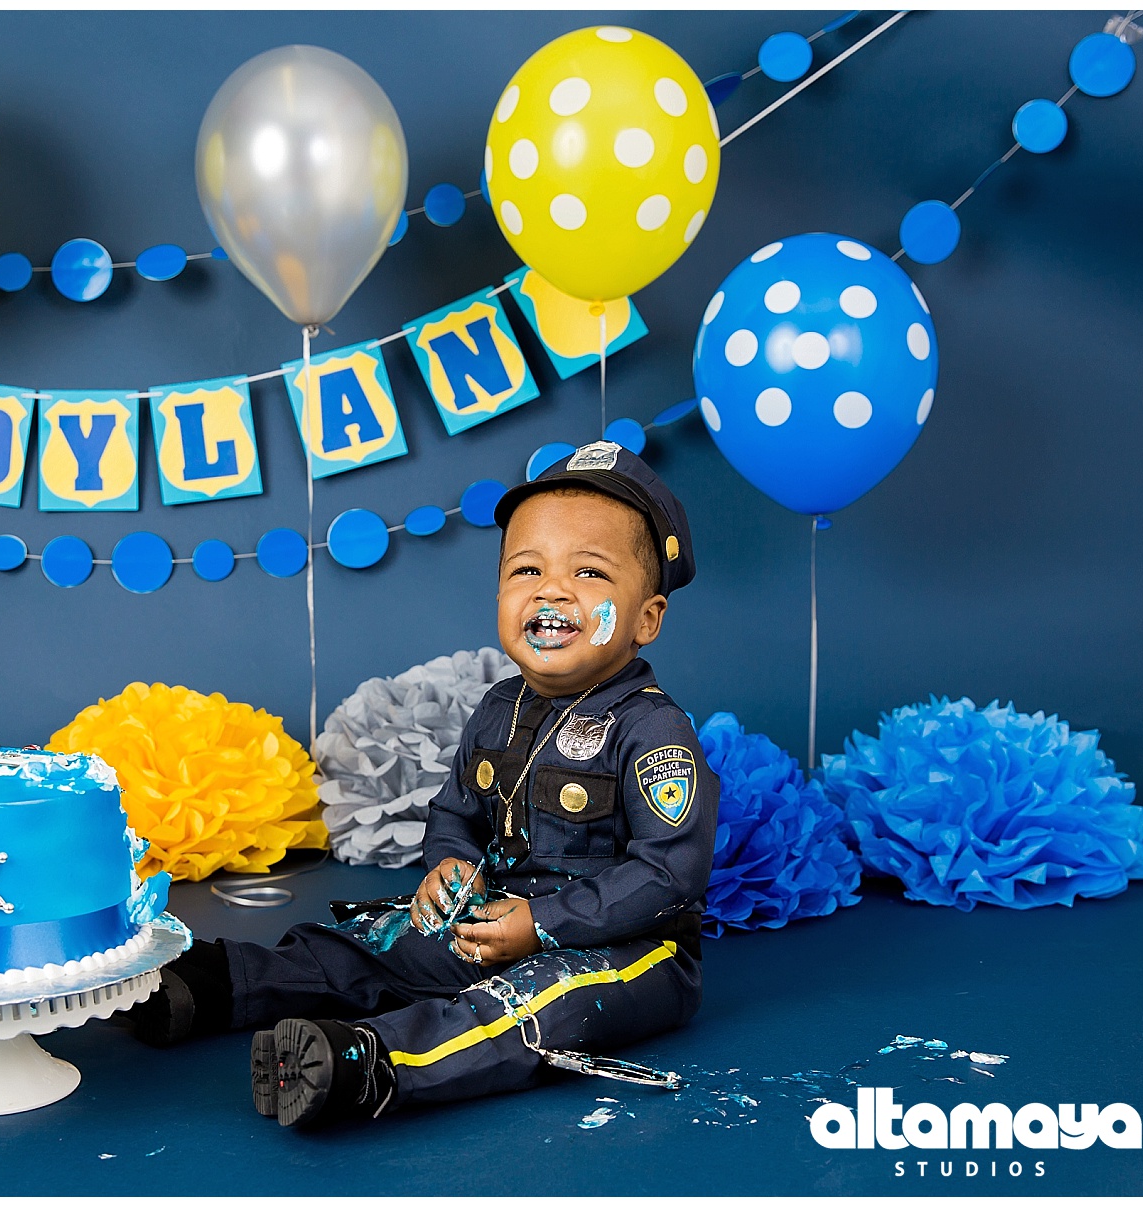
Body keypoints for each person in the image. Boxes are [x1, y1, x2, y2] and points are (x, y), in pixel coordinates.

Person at [123, 441, 717, 1127]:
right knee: (376, 940)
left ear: (646, 618)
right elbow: (455, 813)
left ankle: (365, 1062)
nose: (551, 590)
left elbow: (670, 873)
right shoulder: (499, 708)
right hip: (491, 918)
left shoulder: (652, 731)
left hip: (627, 950)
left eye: (588, 571)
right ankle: (210, 985)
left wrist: (543, 925)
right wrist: (450, 864)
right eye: (527, 569)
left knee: (532, 1006)